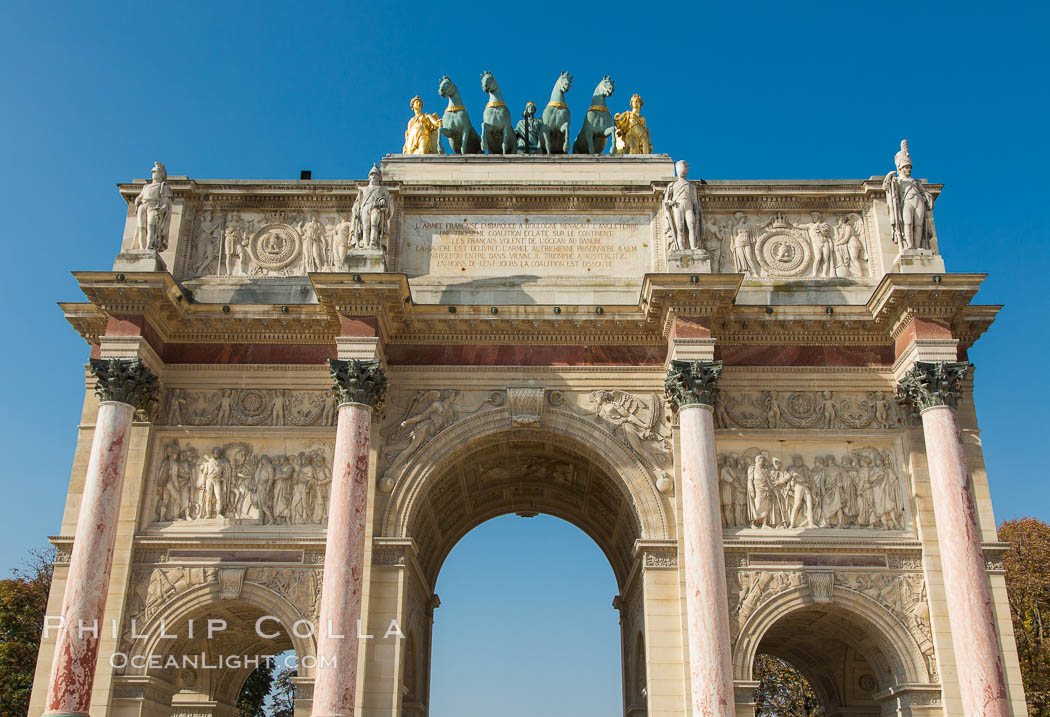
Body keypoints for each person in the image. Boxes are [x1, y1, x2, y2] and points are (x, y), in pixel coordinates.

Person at [883, 140, 934, 250]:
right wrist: (888, 177)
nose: (909, 169)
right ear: (900, 168)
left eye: (910, 167)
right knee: (908, 222)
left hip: (918, 201)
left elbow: (924, 192)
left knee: (919, 224)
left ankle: (918, 246)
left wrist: (927, 197)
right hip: (907, 201)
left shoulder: (915, 181)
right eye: (906, 167)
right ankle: (910, 245)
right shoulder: (897, 180)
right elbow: (886, 188)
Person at [133, 162, 174, 250]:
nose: (154, 174)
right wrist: (137, 200)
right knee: (141, 227)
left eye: (156, 172)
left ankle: (149, 247)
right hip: (143, 206)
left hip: (154, 207)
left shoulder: (164, 186)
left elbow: (166, 201)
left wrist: (162, 208)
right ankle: (142, 248)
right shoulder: (146, 186)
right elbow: (140, 197)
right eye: (153, 172)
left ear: (161, 174)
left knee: (151, 226)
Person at [663, 160, 701, 251]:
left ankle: (693, 247)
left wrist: (698, 213)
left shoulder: (691, 186)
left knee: (691, 226)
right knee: (680, 228)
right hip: (677, 207)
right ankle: (681, 248)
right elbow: (666, 201)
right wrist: (670, 202)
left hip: (689, 207)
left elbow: (695, 201)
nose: (682, 171)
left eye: (684, 169)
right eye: (680, 169)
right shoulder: (672, 185)